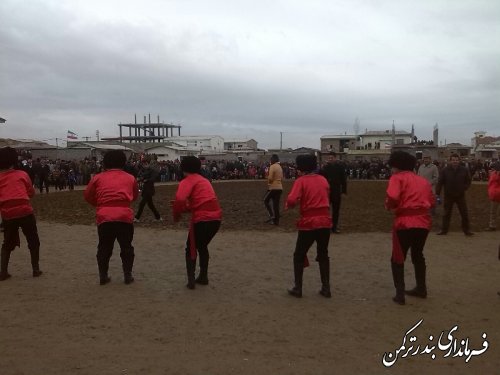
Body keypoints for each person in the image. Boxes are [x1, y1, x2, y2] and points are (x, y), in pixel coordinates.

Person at [385, 151, 435, 305]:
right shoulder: (422, 181)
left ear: (397, 166)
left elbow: (393, 197)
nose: (391, 170)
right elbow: (432, 200)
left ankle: (400, 294)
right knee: (418, 254)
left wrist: (389, 206)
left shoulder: (397, 178)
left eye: (392, 167)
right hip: (423, 222)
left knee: (398, 258)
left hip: (405, 221)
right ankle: (421, 288)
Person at [84, 150, 139, 285]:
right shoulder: (130, 178)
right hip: (124, 216)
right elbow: (135, 196)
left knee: (104, 247)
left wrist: (101, 205)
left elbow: (88, 196)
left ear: (105, 162)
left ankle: (103, 275)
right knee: (126, 246)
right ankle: (127, 275)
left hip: (104, 216)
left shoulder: (97, 177)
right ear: (123, 162)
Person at [285, 154, 332, 298]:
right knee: (323, 253)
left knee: (299, 254)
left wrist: (290, 205)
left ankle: (298, 288)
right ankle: (326, 288)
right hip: (325, 221)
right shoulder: (323, 179)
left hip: (309, 222)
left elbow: (292, 199)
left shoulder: (301, 181)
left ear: (301, 167)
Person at [172, 156, 222, 289]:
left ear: (182, 168)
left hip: (202, 219)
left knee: (191, 247)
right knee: (202, 246)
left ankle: (191, 280)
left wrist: (176, 215)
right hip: (216, 218)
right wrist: (186, 208)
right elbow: (203, 201)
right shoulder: (204, 181)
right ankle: (203, 276)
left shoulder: (187, 181)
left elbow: (180, 199)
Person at [0, 147, 43, 280]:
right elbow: (31, 193)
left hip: (7, 214)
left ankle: (3, 272)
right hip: (25, 211)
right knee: (33, 240)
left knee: (7, 243)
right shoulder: (22, 174)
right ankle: (35, 269)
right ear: (14, 161)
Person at [436, 154, 474, 236]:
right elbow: (440, 182)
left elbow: (468, 180)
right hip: (448, 195)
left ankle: (466, 230)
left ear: (459, 161)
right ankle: (444, 230)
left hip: (460, 195)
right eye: (453, 160)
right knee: (446, 213)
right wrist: (437, 194)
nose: (455, 161)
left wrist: (464, 188)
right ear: (450, 161)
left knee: (464, 213)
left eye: (456, 160)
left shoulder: (464, 170)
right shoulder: (445, 170)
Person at [320, 151, 347, 233]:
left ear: (335, 158)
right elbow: (321, 179)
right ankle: (326, 226)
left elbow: (343, 179)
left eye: (332, 158)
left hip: (336, 191)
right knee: (325, 210)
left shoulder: (340, 167)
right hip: (326, 192)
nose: (330, 159)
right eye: (329, 158)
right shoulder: (325, 168)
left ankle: (334, 227)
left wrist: (344, 191)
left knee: (336, 210)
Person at [263, 154, 283, 225]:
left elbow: (270, 178)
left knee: (265, 200)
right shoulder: (280, 167)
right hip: (280, 187)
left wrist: (269, 181)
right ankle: (276, 221)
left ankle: (272, 216)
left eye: (271, 159)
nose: (270, 160)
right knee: (276, 205)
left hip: (273, 187)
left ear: (273, 160)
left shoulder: (272, 166)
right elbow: (282, 178)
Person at [486, 161, 500, 231]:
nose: (490, 170)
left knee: (493, 212)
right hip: (495, 194)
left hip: (495, 195)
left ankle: (492, 225)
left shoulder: (494, 175)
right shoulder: (494, 175)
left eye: (492, 169)